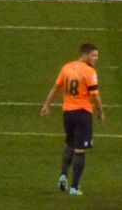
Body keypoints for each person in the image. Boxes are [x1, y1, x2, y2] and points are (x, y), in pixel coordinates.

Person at [40, 43, 105, 196]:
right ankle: (75, 187)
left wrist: (47, 105)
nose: (96, 58)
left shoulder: (66, 68)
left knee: (70, 143)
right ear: (86, 55)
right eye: (94, 55)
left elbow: (56, 87)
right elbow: (95, 95)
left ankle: (63, 175)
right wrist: (101, 112)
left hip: (68, 113)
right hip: (82, 113)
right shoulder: (89, 71)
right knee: (80, 149)